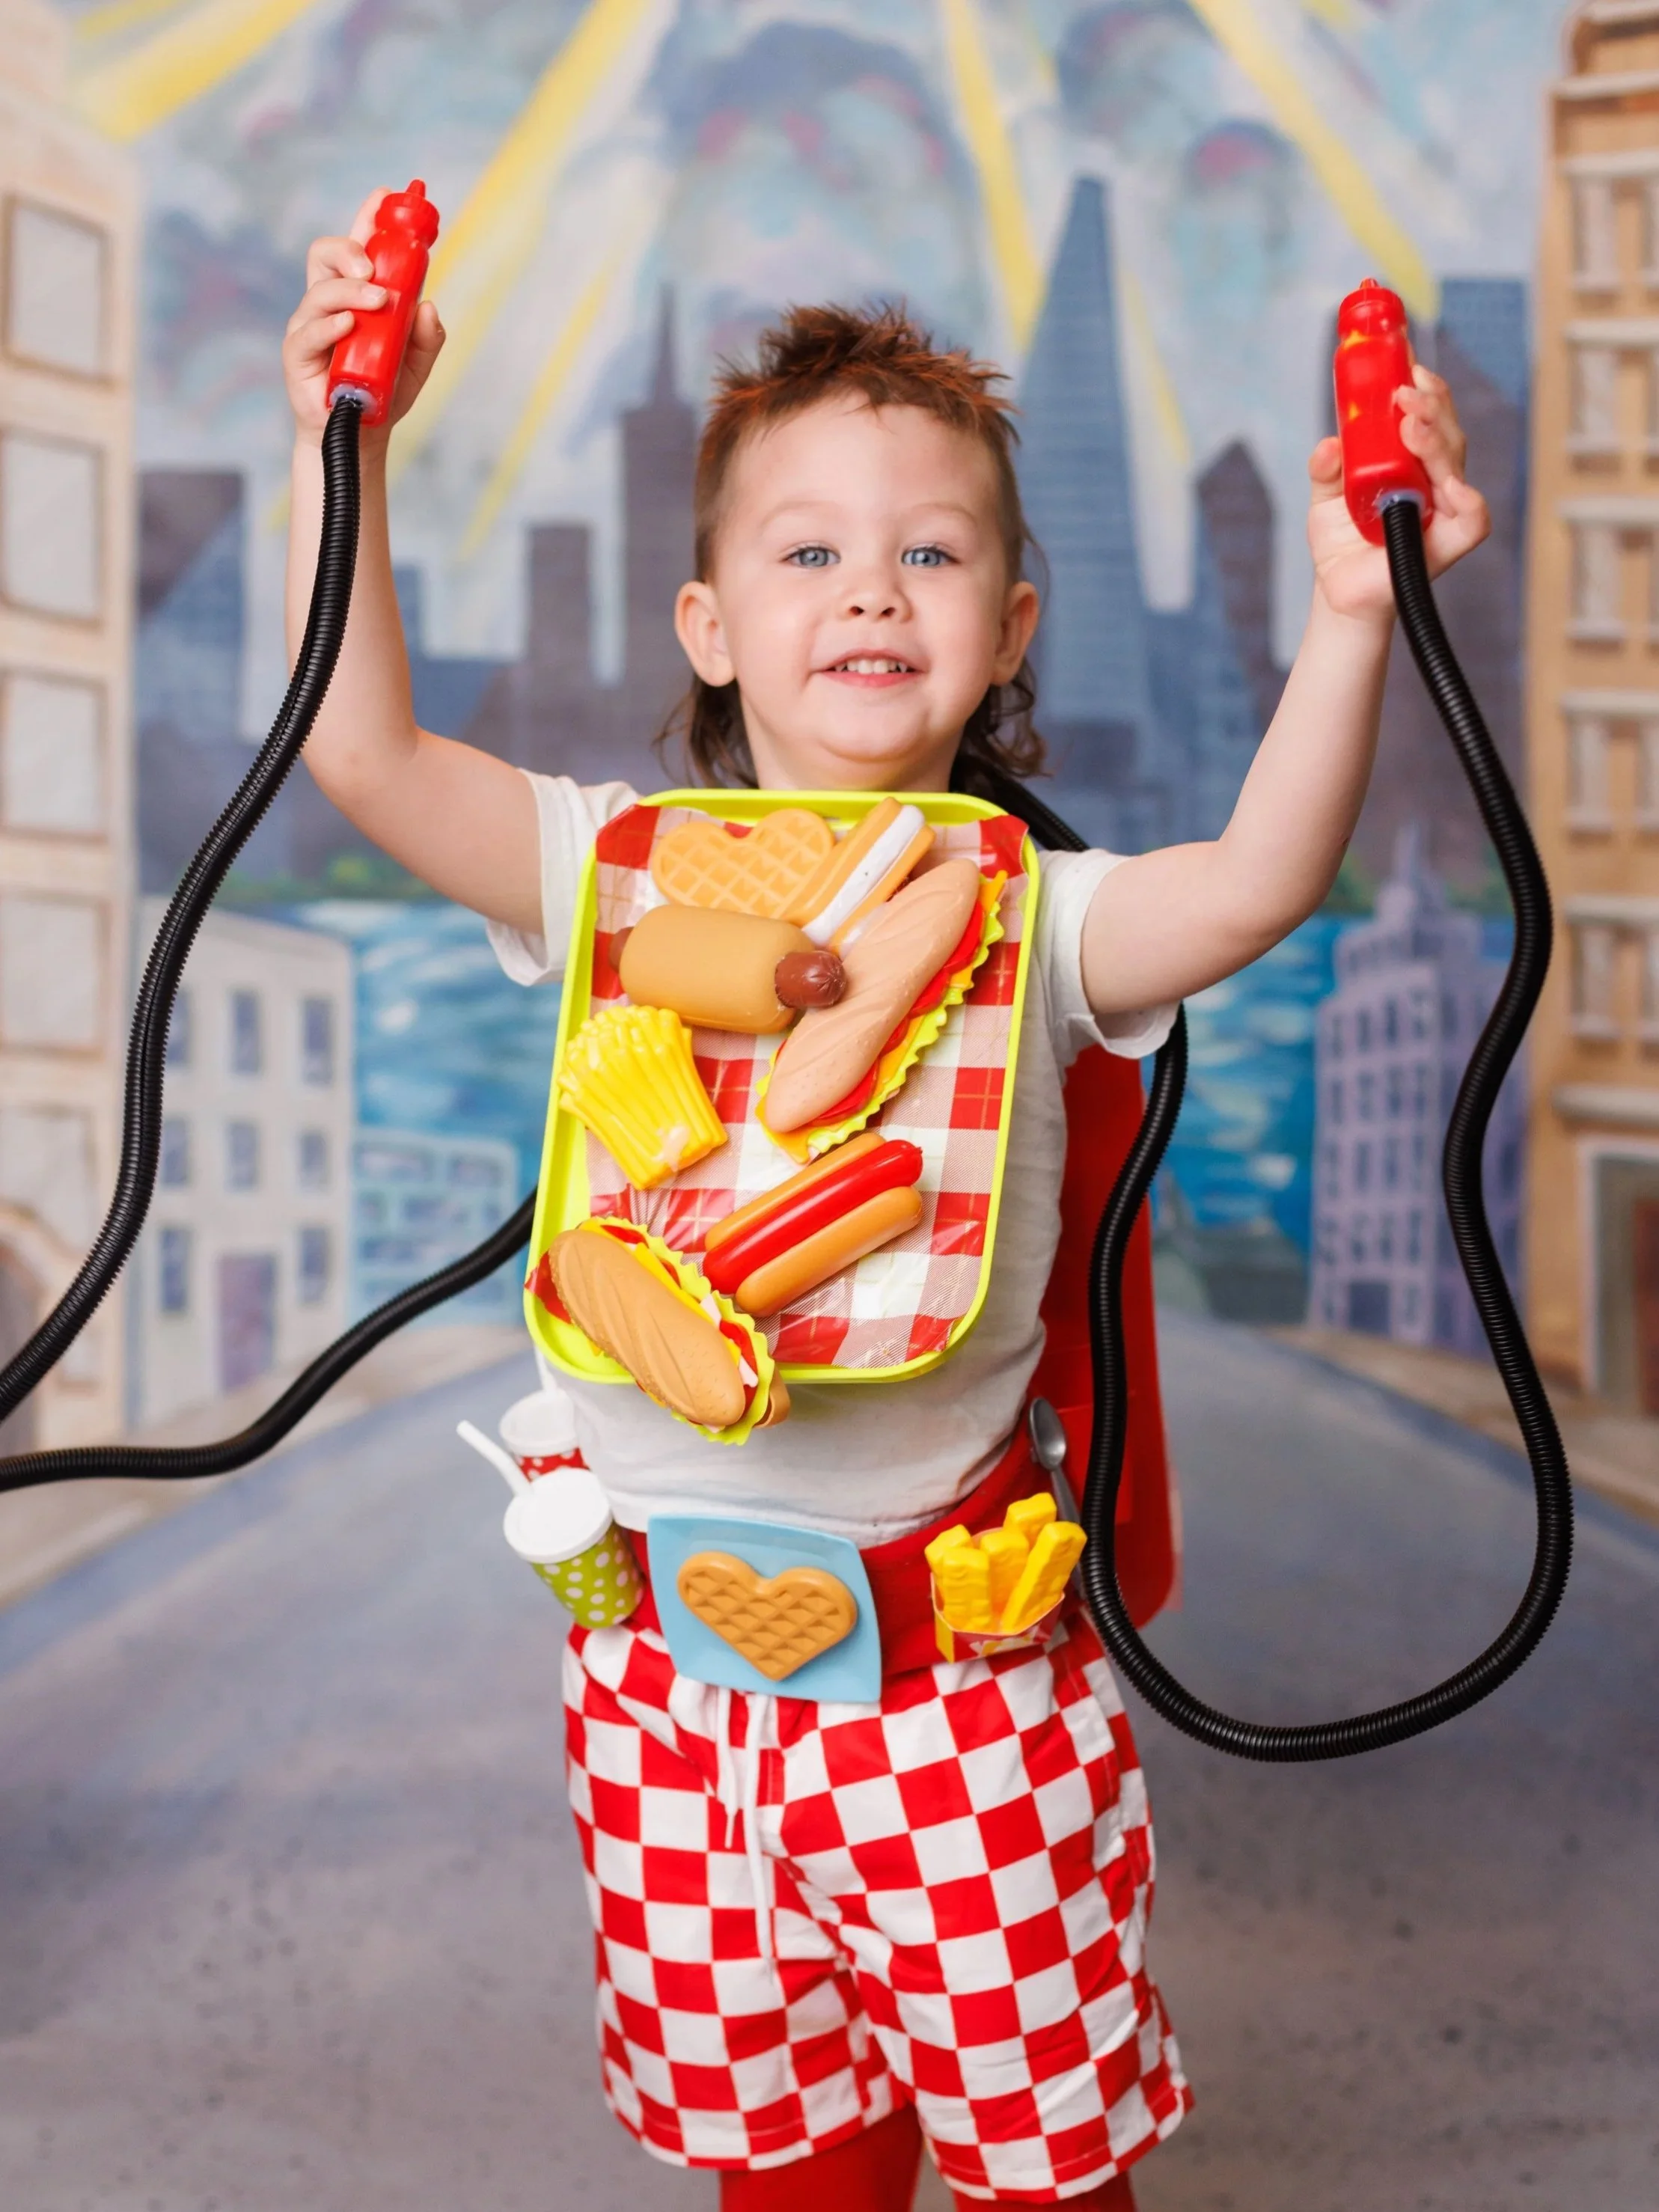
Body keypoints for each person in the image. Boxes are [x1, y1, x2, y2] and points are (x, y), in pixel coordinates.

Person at [281, 194, 1488, 2209]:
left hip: (956, 1693)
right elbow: (366, 749)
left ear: (1011, 629)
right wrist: (355, 440)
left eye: (931, 551)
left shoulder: (1048, 912)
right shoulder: (608, 871)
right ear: (709, 624)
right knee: (785, 2163)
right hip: (664, 1696)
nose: (871, 589)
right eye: (809, 549)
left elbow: (1266, 876)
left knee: (1039, 2164)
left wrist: (1359, 605)